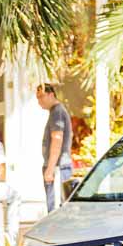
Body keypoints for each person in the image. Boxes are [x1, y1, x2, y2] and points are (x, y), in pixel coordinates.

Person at [37, 83, 74, 212]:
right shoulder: (56, 112)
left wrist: (50, 168)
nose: (39, 101)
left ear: (51, 94)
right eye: (37, 98)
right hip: (58, 166)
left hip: (59, 167)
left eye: (41, 97)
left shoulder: (57, 112)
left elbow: (57, 139)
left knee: (56, 209)